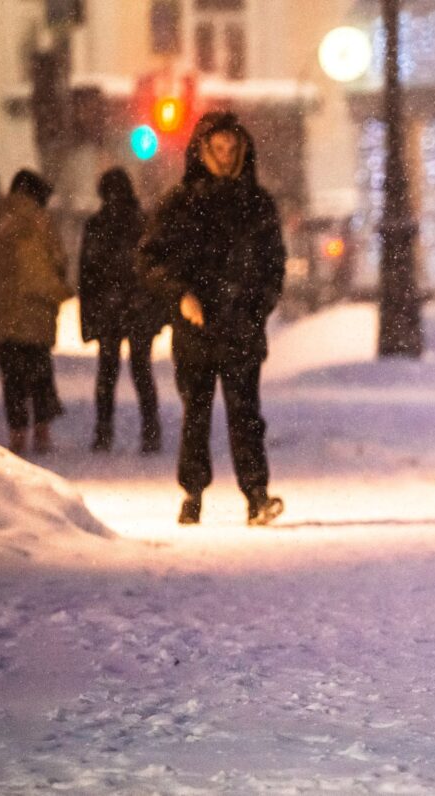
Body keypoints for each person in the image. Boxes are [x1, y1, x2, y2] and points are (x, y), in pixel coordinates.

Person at [139, 112, 285, 526]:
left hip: (242, 327)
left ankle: (256, 494)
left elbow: (274, 266)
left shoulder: (257, 205)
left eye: (231, 149)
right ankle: (193, 493)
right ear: (202, 151)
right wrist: (181, 296)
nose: (224, 157)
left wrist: (257, 307)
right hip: (196, 330)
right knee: (196, 414)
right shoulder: (180, 203)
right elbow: (149, 259)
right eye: (216, 149)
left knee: (246, 414)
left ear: (242, 152)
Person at [0, 169, 71, 454]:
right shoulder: (42, 220)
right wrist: (59, 291)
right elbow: (58, 261)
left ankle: (17, 434)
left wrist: (0, 281)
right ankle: (42, 433)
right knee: (40, 373)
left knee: (12, 377)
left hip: (5, 313)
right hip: (37, 313)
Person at [79, 168, 164, 453]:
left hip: (110, 310)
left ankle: (104, 433)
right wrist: (155, 310)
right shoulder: (142, 222)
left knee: (107, 373)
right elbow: (155, 270)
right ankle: (150, 432)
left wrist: (89, 317)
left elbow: (87, 275)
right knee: (141, 371)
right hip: (137, 309)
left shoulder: (98, 224)